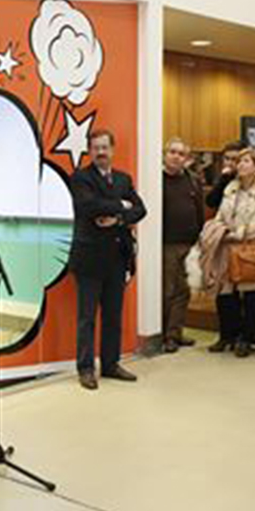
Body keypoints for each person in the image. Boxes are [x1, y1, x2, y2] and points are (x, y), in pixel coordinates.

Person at [69, 129, 147, 391]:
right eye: (96, 148)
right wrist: (122, 205)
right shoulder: (81, 177)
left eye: (105, 147)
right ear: (89, 151)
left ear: (112, 150)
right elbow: (88, 207)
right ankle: (86, 368)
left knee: (113, 317)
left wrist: (118, 218)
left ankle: (111, 364)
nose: (101, 152)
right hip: (89, 259)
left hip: (117, 259)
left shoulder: (124, 178)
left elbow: (141, 209)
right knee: (87, 318)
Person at [208, 148, 255, 357]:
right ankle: (227, 336)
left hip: (251, 248)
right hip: (227, 247)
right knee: (225, 294)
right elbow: (220, 215)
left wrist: (235, 233)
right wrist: (220, 230)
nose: (241, 165)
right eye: (239, 161)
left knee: (250, 295)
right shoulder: (230, 189)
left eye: (246, 161)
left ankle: (247, 339)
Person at [162, 137, 204, 353]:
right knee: (167, 290)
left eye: (181, 154)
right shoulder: (156, 179)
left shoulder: (193, 180)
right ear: (164, 154)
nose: (176, 157)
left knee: (184, 291)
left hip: (189, 245)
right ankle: (164, 335)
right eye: (172, 152)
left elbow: (199, 210)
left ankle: (175, 333)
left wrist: (200, 238)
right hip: (166, 245)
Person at [206, 140, 246, 210]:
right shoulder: (224, 178)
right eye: (227, 158)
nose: (229, 163)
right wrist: (223, 180)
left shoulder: (247, 179)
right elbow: (210, 202)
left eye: (234, 159)